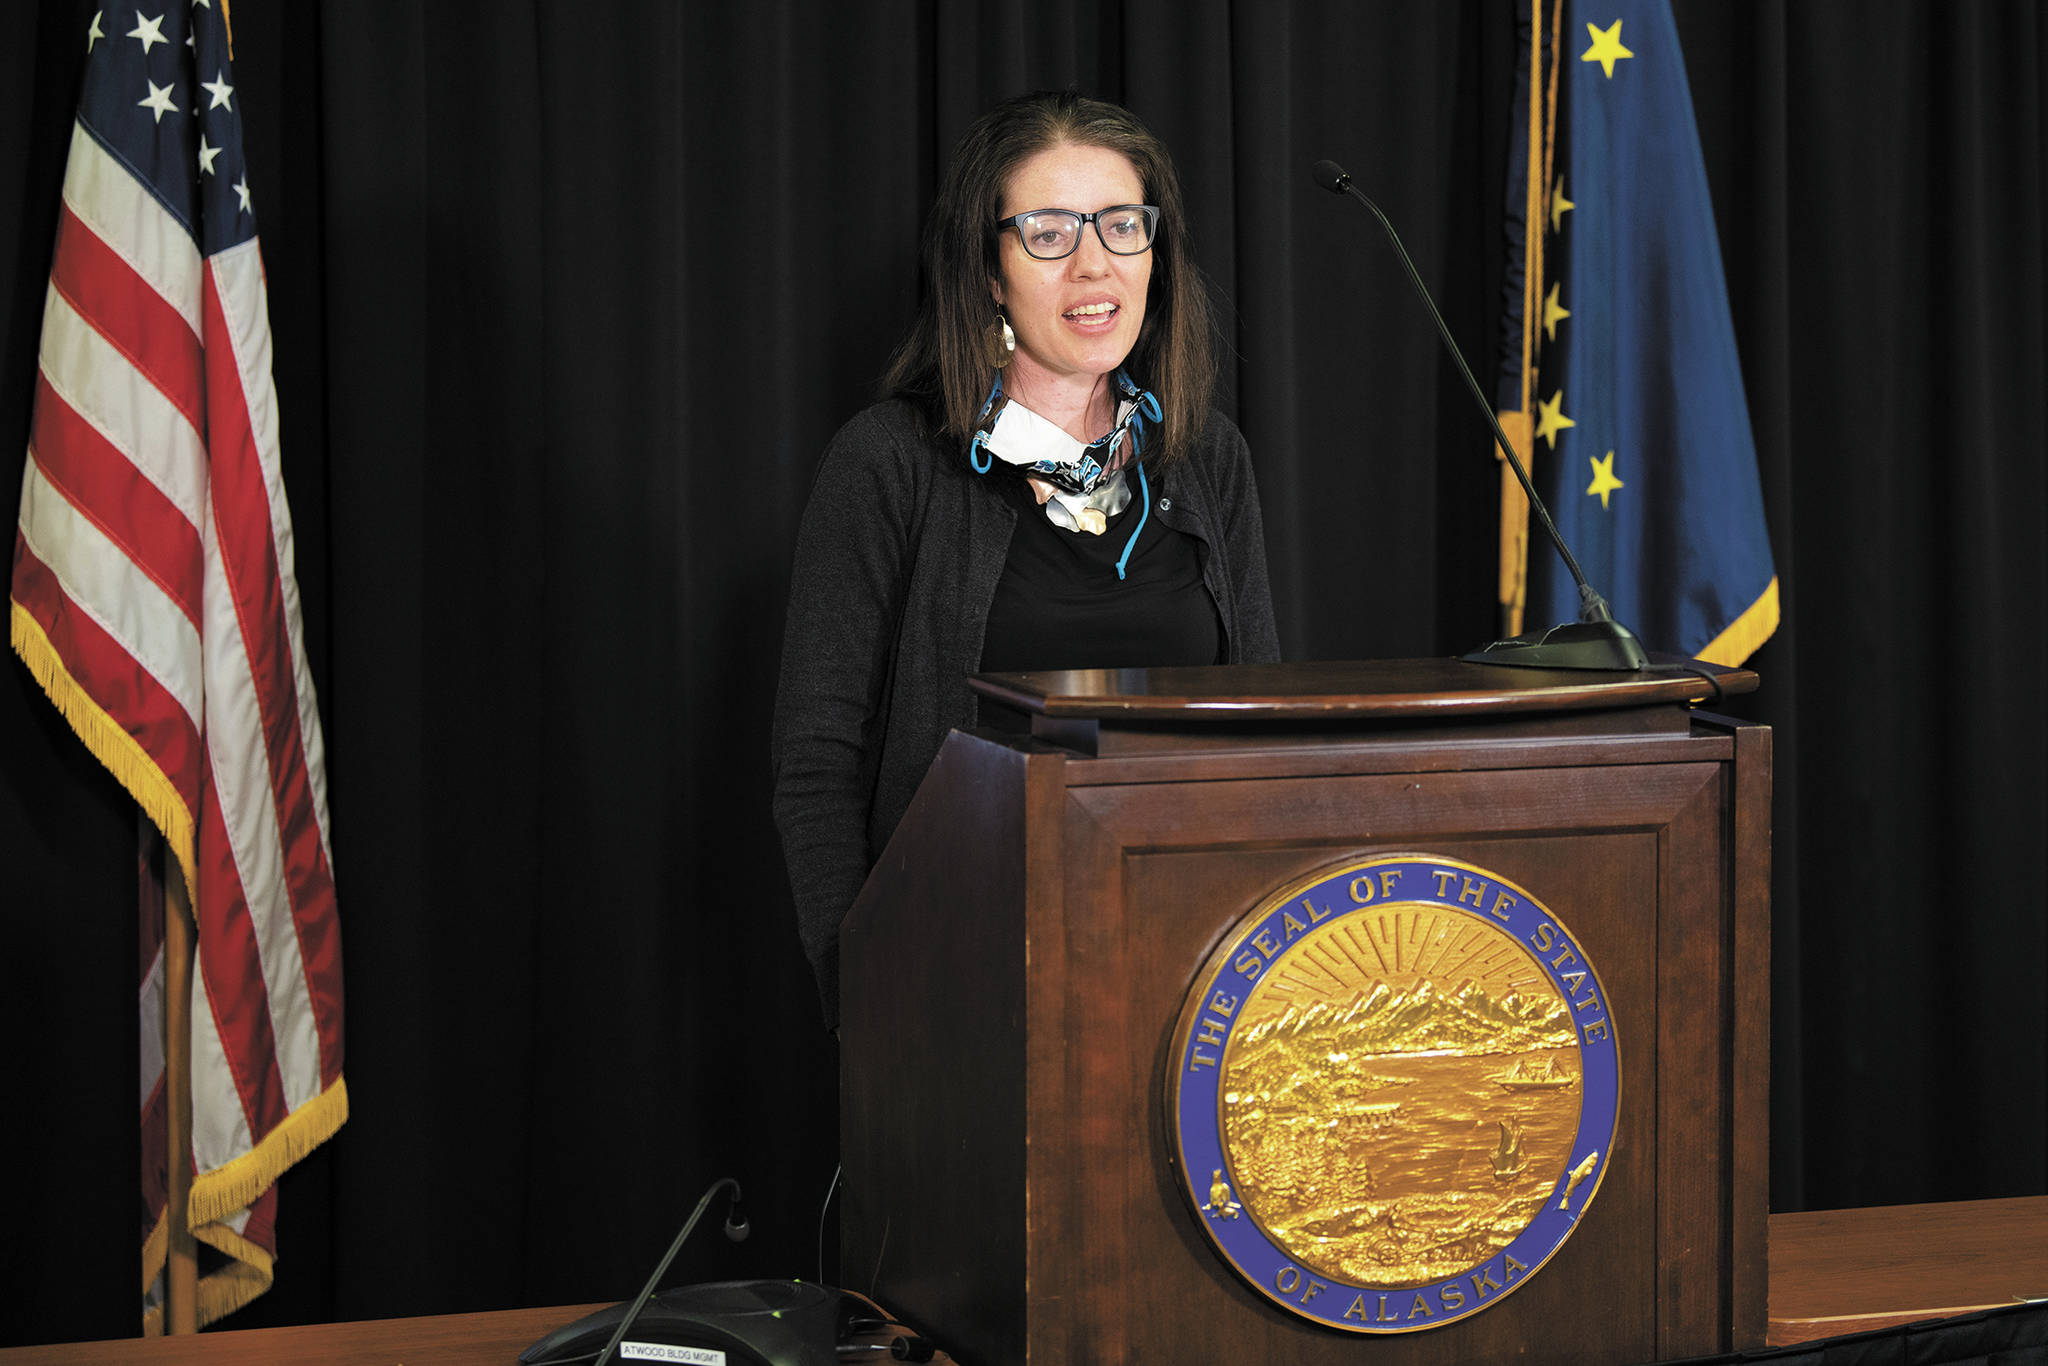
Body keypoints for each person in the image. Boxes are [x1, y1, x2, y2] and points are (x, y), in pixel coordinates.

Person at [772, 91, 1281, 1027]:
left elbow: (1262, 727)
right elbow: (817, 763)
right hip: (965, 976)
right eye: (1048, 232)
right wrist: (867, 994)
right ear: (990, 273)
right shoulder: (890, 462)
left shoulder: (1208, 457)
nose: (1095, 262)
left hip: (1194, 977)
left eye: (1122, 225)